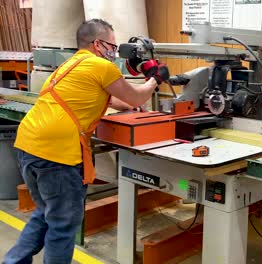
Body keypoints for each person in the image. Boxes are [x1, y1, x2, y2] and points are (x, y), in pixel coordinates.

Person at [3, 18, 161, 264]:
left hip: (28, 146)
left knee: (45, 215)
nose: (114, 51)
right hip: (57, 154)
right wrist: (154, 78)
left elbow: (115, 99)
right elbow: (134, 94)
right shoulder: (100, 66)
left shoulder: (71, 65)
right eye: (112, 45)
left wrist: (133, 104)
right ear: (98, 44)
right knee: (63, 226)